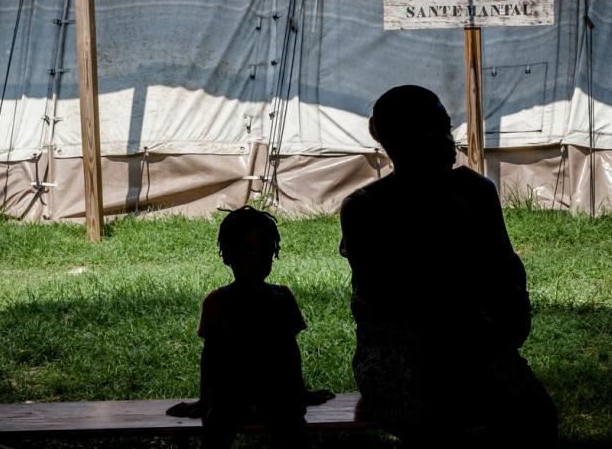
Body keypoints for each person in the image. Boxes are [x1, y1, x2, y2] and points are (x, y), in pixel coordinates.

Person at [339, 85, 557, 448]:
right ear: (398, 142)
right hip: (405, 359)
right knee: (444, 421)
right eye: (433, 131)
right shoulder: (366, 209)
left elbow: (508, 274)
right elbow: (391, 303)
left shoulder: (475, 193)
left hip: (473, 346)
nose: (447, 141)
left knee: (535, 415)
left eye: (446, 128)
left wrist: (507, 322)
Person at [167, 205, 333, 449]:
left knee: (290, 426)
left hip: (275, 394)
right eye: (247, 251)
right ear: (227, 255)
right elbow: (210, 358)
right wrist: (205, 400)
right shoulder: (217, 302)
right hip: (231, 396)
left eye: (265, 251)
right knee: (218, 425)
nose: (257, 259)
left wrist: (300, 392)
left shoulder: (282, 297)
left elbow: (291, 354)